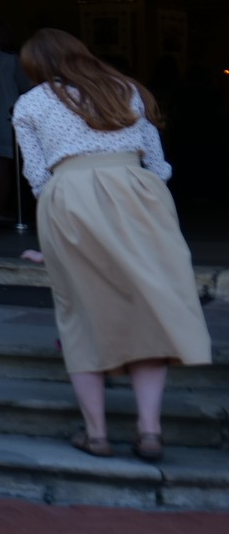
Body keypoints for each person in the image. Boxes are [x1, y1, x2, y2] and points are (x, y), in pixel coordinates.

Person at [13, 28, 212, 461]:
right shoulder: (125, 89)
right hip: (139, 194)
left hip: (69, 198)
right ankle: (150, 432)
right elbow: (157, 164)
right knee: (149, 311)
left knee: (81, 319)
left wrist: (56, 239)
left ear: (36, 66)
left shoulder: (30, 103)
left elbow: (38, 177)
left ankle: (97, 435)